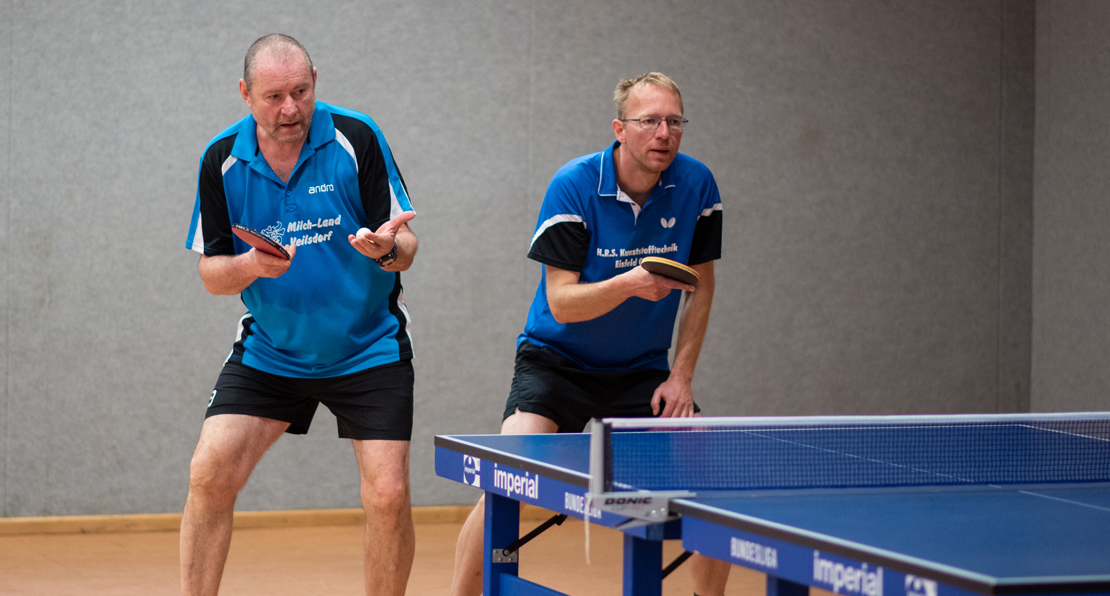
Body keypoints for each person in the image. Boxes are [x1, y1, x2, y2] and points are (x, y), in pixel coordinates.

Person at [450, 73, 729, 595]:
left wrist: (681, 377)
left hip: (642, 371)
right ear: (620, 129)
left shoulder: (697, 187)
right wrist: (628, 284)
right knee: (507, 481)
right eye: (650, 122)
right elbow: (561, 301)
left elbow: (702, 289)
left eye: (674, 122)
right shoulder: (575, 184)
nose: (663, 133)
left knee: (705, 488)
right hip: (555, 362)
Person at [181, 34, 418, 596]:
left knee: (387, 494)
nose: (290, 109)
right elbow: (212, 274)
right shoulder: (221, 159)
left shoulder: (355, 137)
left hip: (368, 347)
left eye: (301, 92)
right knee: (208, 475)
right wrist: (252, 267)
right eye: (273, 96)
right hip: (272, 350)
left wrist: (386, 250)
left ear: (316, 81)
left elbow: (404, 246)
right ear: (245, 94)